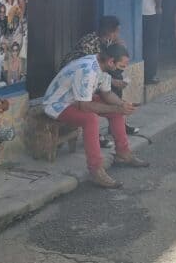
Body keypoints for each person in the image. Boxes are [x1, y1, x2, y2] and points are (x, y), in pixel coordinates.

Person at [41, 43, 149, 189]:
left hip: (78, 99)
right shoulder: (87, 70)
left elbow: (107, 93)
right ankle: (95, 169)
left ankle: (123, 153)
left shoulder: (103, 66)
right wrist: (117, 107)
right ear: (111, 62)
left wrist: (122, 105)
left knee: (117, 111)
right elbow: (84, 106)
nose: (121, 71)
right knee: (90, 119)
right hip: (58, 104)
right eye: (121, 66)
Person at [58, 16, 137, 145]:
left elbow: (107, 68)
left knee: (116, 81)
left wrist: (119, 48)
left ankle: (118, 123)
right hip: (73, 79)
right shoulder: (89, 42)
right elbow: (88, 71)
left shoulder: (108, 42)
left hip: (91, 76)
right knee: (96, 95)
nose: (118, 34)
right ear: (111, 31)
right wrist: (111, 81)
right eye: (117, 31)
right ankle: (96, 134)